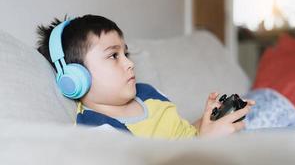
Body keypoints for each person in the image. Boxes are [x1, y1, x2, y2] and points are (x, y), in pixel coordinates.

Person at [36, 14, 255, 139]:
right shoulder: (98, 130)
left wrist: (207, 122)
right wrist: (206, 145)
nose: (130, 63)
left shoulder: (148, 93)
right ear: (75, 78)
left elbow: (183, 134)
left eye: (126, 53)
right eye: (114, 55)